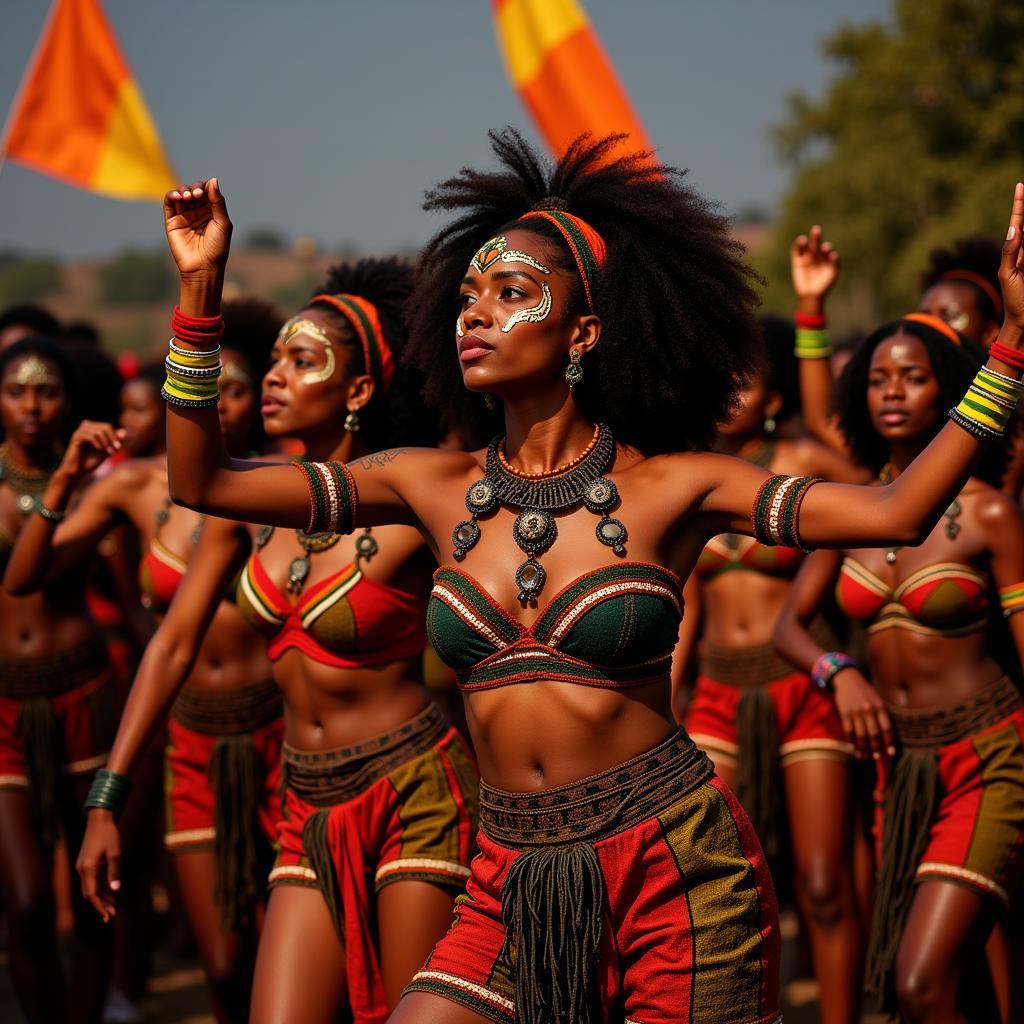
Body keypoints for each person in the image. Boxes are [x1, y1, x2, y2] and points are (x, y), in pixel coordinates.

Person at [155, 134, 1024, 1024]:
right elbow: (205, 482)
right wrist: (198, 294)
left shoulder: (677, 485)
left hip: (674, 873)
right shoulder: (424, 482)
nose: (475, 314)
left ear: (584, 332)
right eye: (467, 297)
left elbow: (894, 513)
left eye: (511, 293)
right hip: (506, 878)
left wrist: (1009, 353)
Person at [66, 259, 479, 1024]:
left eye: (302, 360)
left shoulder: (414, 496)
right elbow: (169, 644)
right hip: (306, 801)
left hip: (414, 791)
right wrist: (108, 796)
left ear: (358, 392)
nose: (275, 379)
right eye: (277, 361)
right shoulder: (246, 501)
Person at [5, 301, 283, 1023]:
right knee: (222, 967)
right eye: (204, 388)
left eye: (238, 389)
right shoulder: (135, 486)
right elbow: (25, 576)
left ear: (261, 398)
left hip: (283, 736)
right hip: (188, 732)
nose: (219, 403)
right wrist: (64, 483)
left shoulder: (289, 486)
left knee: (285, 948)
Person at [774, 313, 1024, 1023]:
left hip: (988, 757)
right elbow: (789, 623)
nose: (892, 392)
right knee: (939, 977)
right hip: (898, 769)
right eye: (879, 379)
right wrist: (838, 670)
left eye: (913, 378)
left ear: (948, 394)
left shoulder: (990, 515)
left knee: (920, 978)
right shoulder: (852, 510)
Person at [676, 315, 866, 1024]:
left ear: (773, 393)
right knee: (715, 879)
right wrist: (666, 704)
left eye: (745, 379)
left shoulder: (802, 463)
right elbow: (688, 607)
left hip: (799, 687)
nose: (730, 392)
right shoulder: (690, 472)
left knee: (821, 883)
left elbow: (885, 488)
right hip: (720, 689)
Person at [0, 337, 116, 1024]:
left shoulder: (98, 487)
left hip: (85, 697)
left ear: (69, 401)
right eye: (17, 391)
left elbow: (131, 599)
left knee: (96, 886)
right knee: (24, 900)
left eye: (46, 392)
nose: (32, 407)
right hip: (4, 709)